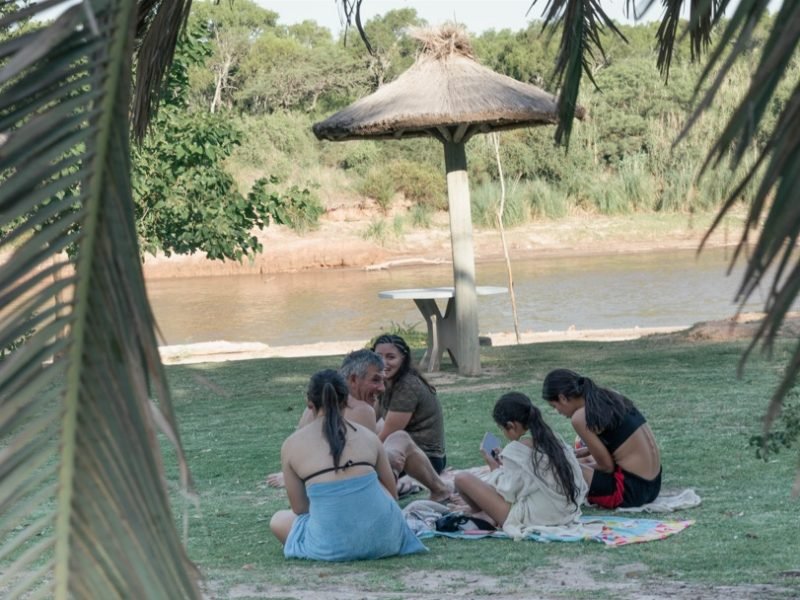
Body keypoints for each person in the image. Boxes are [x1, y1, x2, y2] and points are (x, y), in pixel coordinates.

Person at [269, 369, 426, 561]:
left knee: (278, 519)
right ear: (346, 401)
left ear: (309, 403)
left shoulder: (292, 444)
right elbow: (391, 495)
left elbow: (300, 508)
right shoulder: (369, 436)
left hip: (331, 546)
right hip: (388, 539)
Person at [268, 349, 452, 503]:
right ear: (353, 380)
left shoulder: (314, 409)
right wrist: (389, 461)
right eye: (375, 380)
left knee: (392, 441)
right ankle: (441, 490)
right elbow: (359, 466)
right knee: (400, 439)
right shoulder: (361, 409)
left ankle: (437, 488)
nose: (382, 388)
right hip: (351, 494)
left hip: (315, 492)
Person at [453, 392, 587, 538]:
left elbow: (507, 493)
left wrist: (494, 468)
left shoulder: (516, 449)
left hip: (540, 516)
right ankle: (484, 512)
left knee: (462, 478)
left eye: (502, 429)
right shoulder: (552, 438)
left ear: (511, 425)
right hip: (567, 511)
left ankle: (484, 513)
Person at [542, 368, 662, 509]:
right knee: (582, 459)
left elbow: (607, 467)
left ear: (562, 398)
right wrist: (584, 453)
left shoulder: (579, 417)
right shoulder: (610, 396)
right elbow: (619, 442)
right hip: (653, 485)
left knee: (561, 468)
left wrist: (571, 464)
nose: (558, 412)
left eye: (555, 406)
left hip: (629, 492)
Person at [371, 334, 446, 474]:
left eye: (390, 357)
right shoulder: (387, 381)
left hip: (427, 459)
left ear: (403, 359)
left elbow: (387, 435)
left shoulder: (407, 385)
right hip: (404, 451)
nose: (383, 362)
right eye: (378, 357)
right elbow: (370, 420)